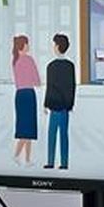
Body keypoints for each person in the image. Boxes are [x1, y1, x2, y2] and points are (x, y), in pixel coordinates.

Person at [43, 33, 76, 170]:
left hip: (54, 105)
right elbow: (72, 86)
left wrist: (46, 104)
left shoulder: (51, 66)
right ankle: (64, 163)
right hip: (64, 107)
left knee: (52, 134)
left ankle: (50, 162)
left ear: (57, 46)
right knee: (64, 135)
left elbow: (49, 86)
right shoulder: (70, 66)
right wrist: (70, 104)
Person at [11, 35, 40, 164]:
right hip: (28, 94)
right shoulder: (28, 60)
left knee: (24, 128)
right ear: (23, 46)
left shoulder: (15, 61)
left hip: (19, 95)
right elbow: (37, 81)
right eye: (27, 44)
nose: (29, 46)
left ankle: (27, 159)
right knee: (28, 129)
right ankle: (17, 155)